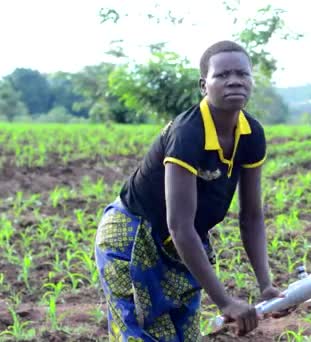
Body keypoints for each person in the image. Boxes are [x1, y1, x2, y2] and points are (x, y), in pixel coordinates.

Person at [94, 40, 284, 341]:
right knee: (142, 333)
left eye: (242, 74)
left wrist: (265, 285)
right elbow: (179, 224)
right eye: (222, 75)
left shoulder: (252, 133)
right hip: (132, 237)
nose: (234, 80)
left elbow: (251, 216)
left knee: (184, 335)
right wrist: (225, 302)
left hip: (182, 242)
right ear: (203, 85)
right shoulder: (188, 134)